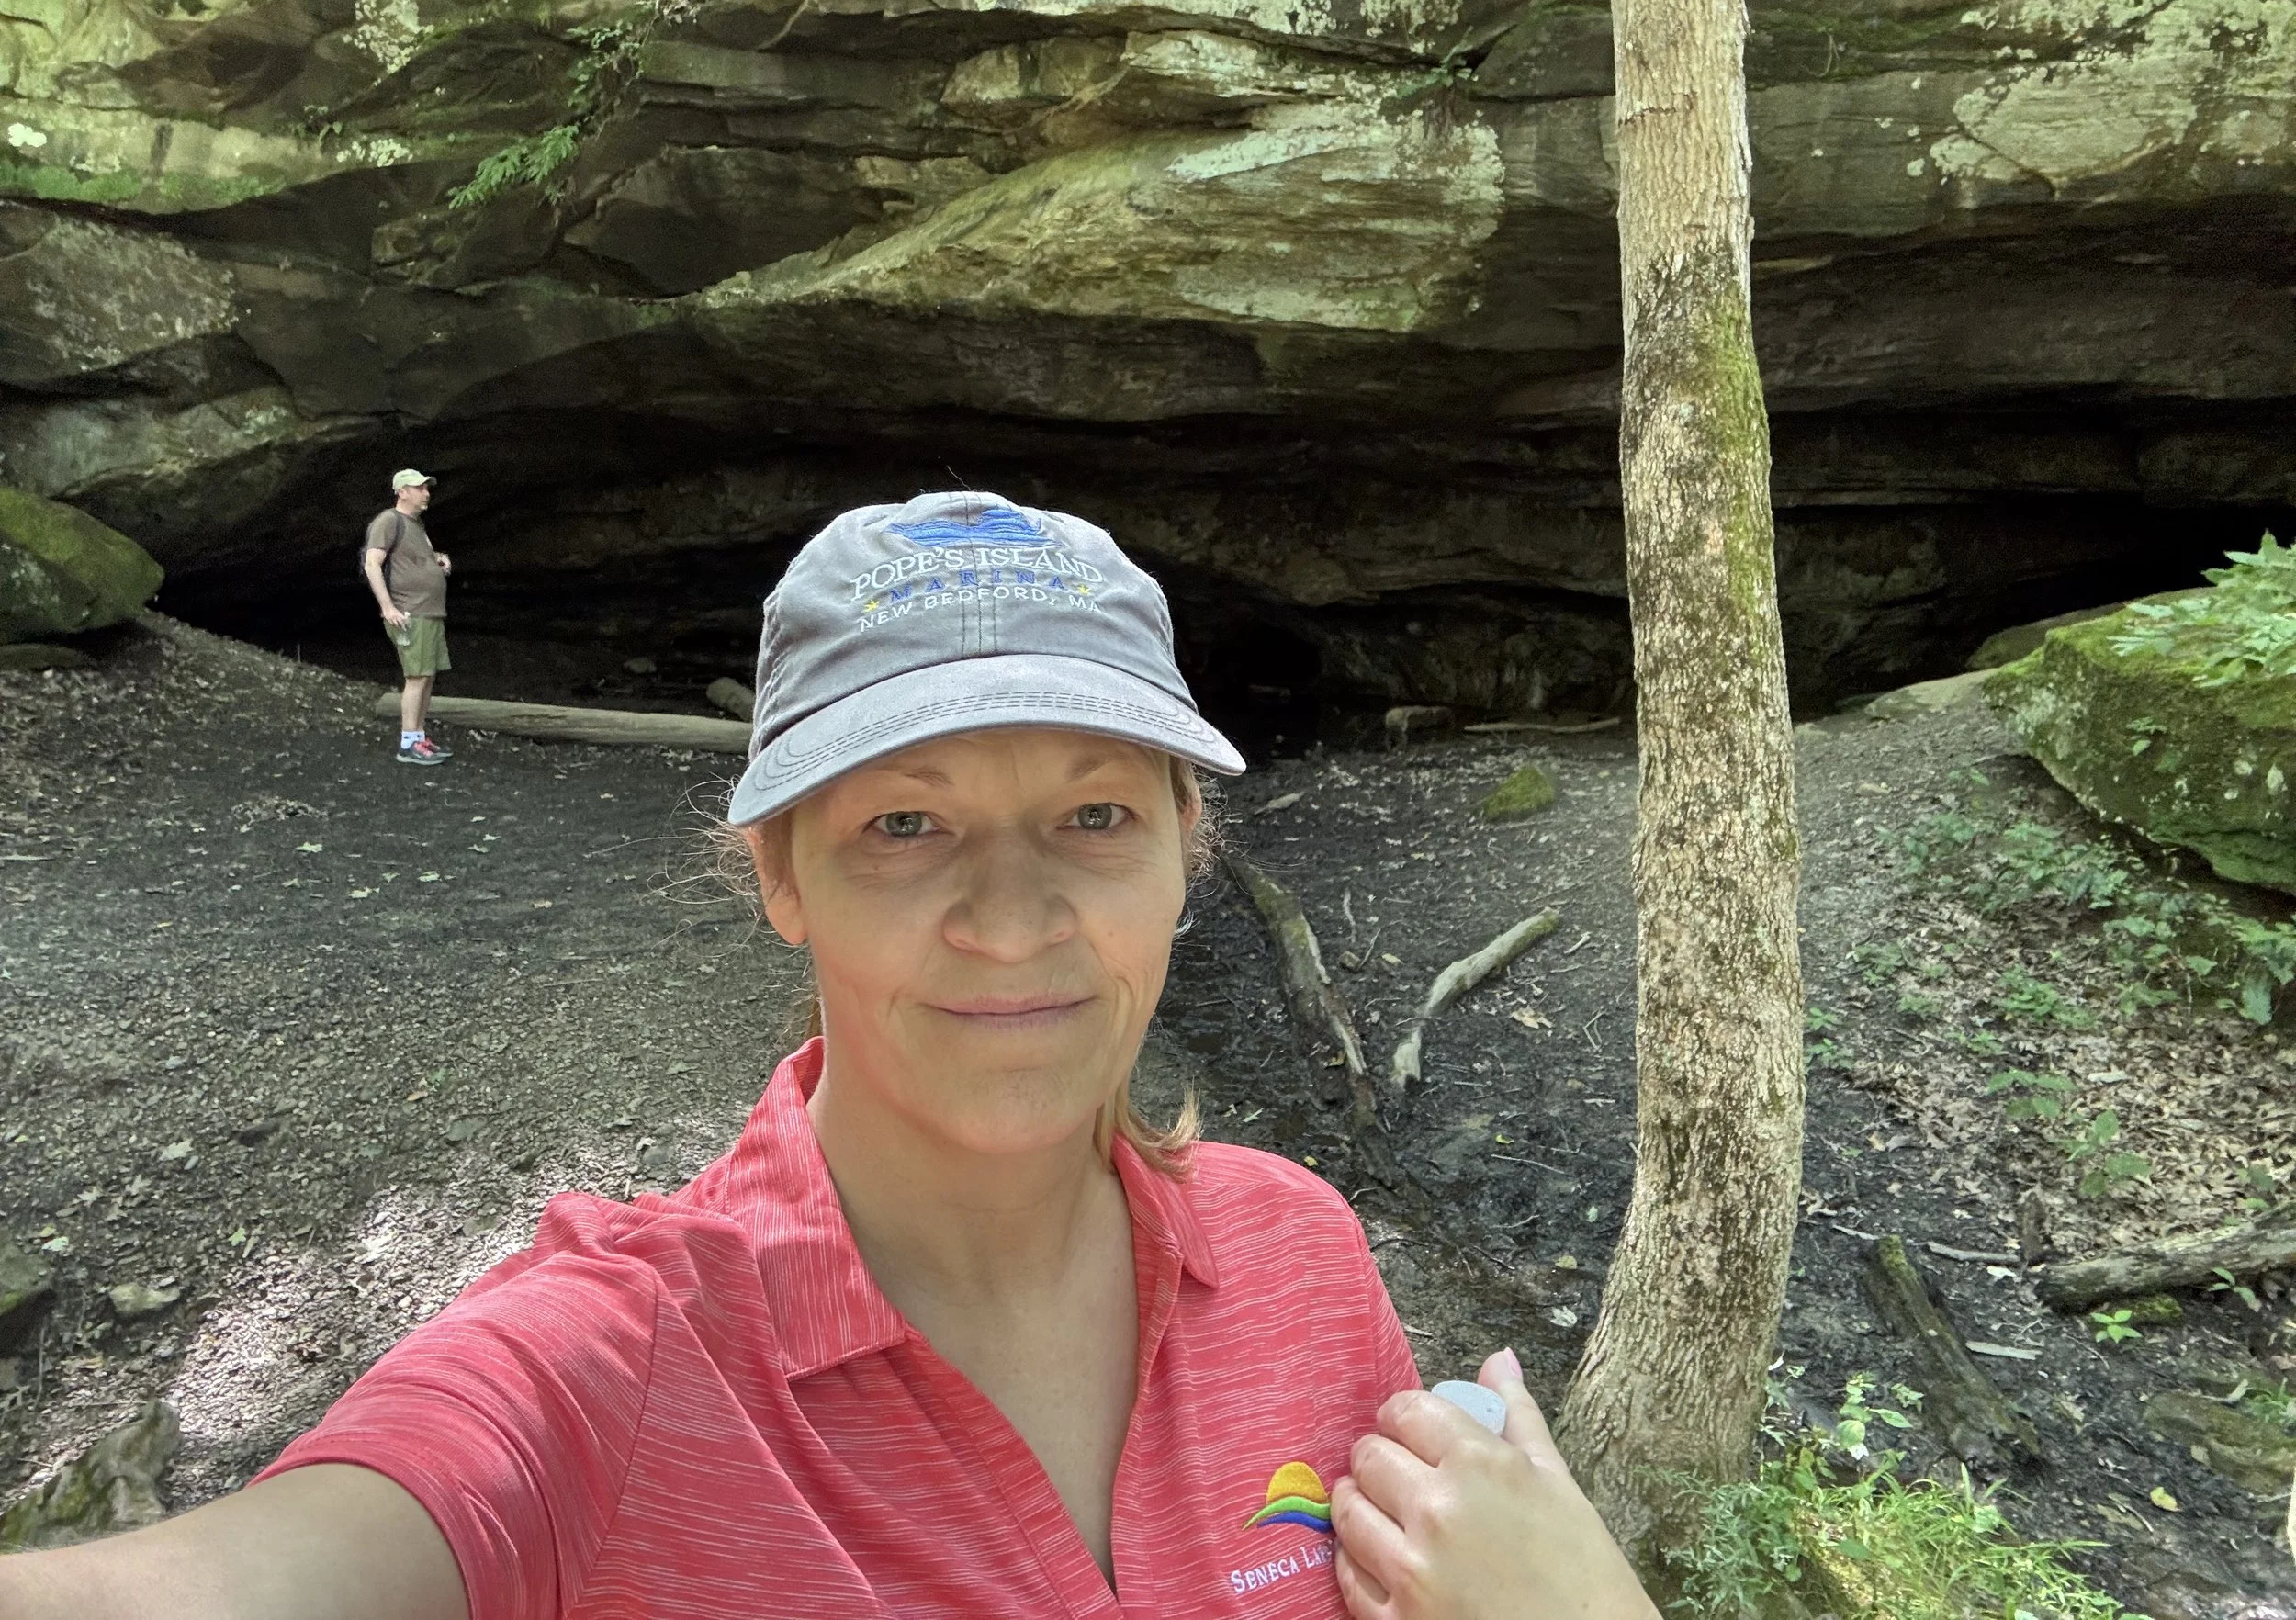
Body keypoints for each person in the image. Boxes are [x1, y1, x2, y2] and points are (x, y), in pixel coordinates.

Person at [0, 493, 1660, 1620]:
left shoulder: (1301, 1252)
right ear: (781, 878)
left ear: (1185, 850)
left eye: (1094, 815)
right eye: (904, 825)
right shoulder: (614, 1363)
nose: (1011, 921)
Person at [366, 468, 454, 766]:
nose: (426, 493)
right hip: (409, 613)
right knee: (416, 677)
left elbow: (420, 558)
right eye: (419, 488)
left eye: (427, 488)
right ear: (402, 491)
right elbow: (372, 564)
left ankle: (419, 737)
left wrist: (438, 559)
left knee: (427, 676)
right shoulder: (388, 521)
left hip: (429, 613)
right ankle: (408, 743)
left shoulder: (415, 525)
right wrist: (388, 608)